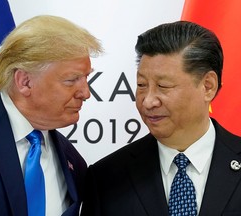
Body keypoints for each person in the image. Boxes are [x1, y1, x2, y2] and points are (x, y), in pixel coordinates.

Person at [80, 20, 241, 216]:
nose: (148, 102)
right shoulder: (107, 178)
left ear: (208, 86)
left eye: (163, 86)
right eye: (141, 85)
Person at [0, 15, 103, 216]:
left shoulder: (73, 161)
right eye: (71, 80)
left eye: (86, 78)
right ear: (24, 82)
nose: (85, 93)